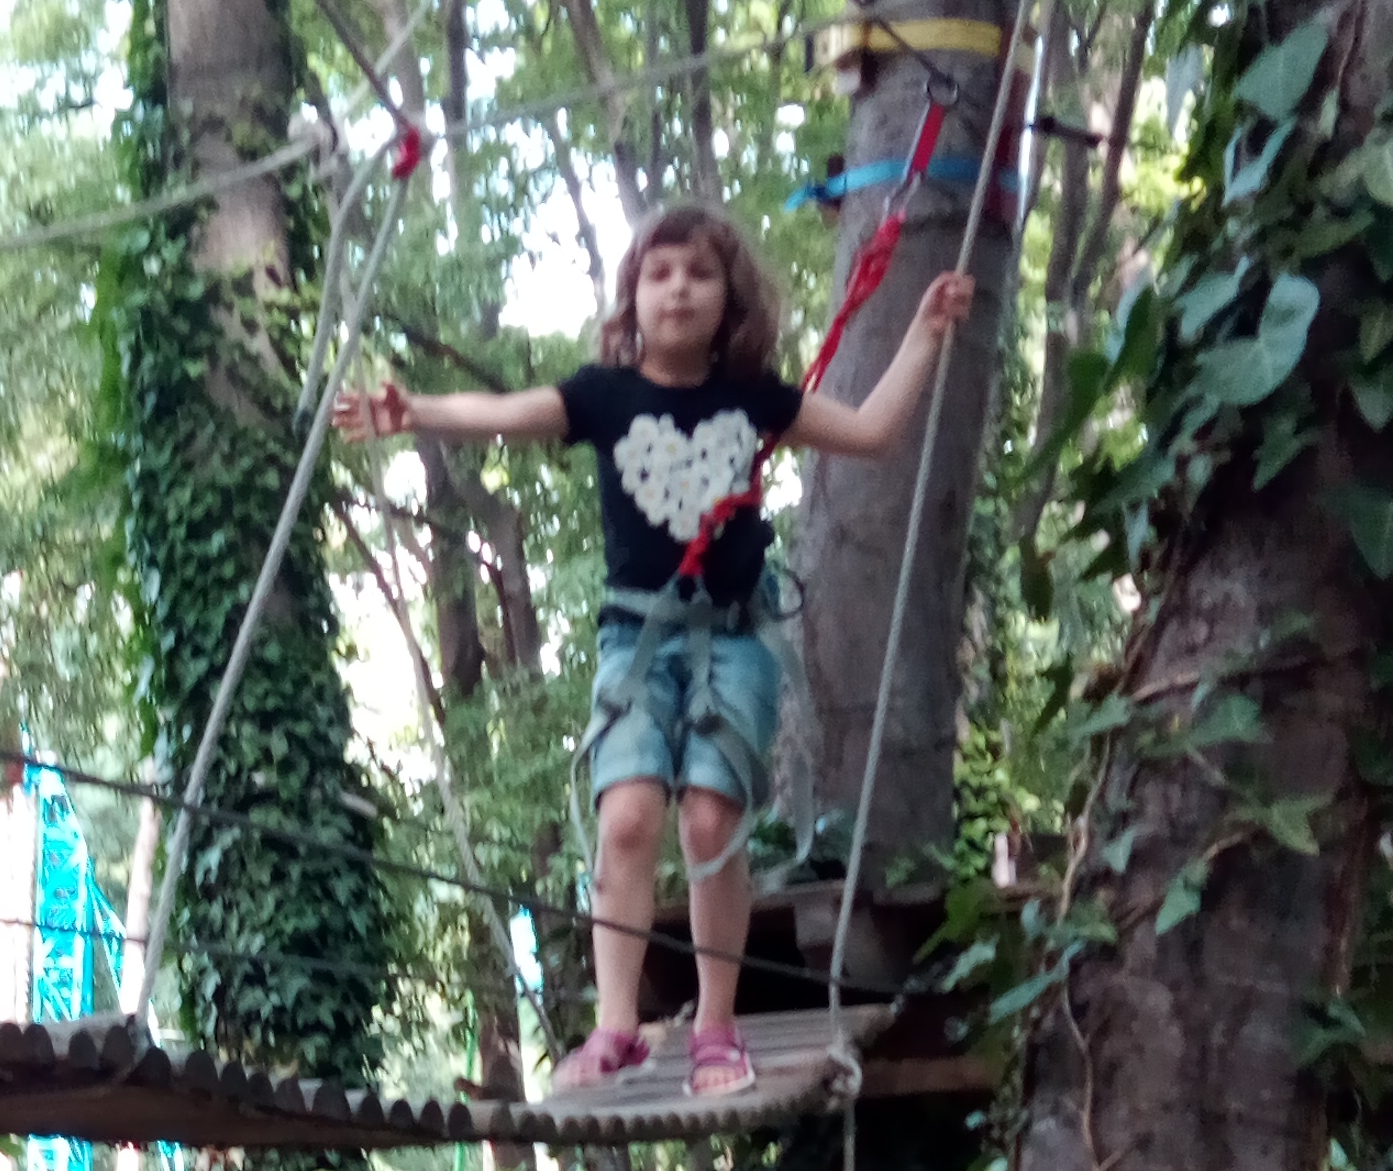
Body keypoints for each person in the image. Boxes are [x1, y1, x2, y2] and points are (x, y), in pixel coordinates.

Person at [334, 204, 974, 1096]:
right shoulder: (605, 395)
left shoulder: (753, 401)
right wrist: (416, 413)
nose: (679, 289)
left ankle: (715, 1027)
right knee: (628, 816)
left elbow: (871, 432)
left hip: (732, 639)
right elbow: (508, 412)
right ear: (632, 296)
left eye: (700, 274)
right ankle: (616, 1027)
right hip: (636, 635)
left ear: (729, 300)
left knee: (710, 821)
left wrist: (925, 334)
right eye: (660, 273)